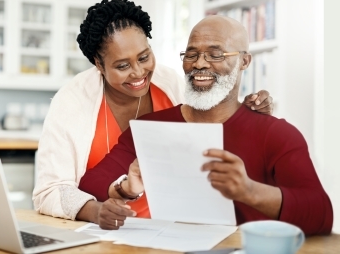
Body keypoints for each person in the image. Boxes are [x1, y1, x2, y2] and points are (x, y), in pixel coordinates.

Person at [78, 15, 333, 235]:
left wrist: (249, 190)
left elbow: (320, 214)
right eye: (191, 54)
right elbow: (90, 183)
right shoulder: (151, 127)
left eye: (215, 54)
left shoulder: (277, 133)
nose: (199, 63)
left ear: (244, 61)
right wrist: (125, 189)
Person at [32, 0, 273, 225]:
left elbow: (210, 128)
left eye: (144, 57)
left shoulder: (169, 85)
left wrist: (250, 113)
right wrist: (94, 211)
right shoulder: (72, 102)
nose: (138, 72)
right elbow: (49, 191)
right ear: (98, 64)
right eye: (122, 66)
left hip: (168, 225)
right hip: (104, 229)